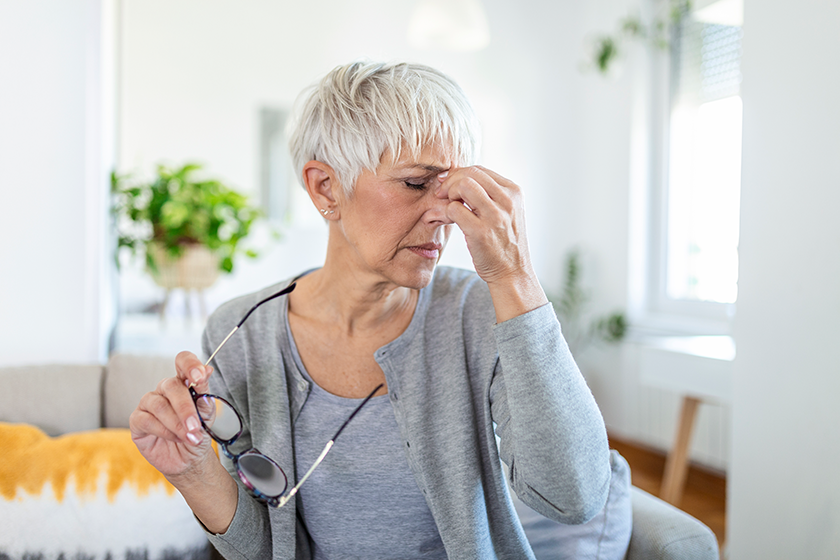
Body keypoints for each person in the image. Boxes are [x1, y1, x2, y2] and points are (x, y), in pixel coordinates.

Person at [129, 61, 617, 559]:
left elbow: (574, 497)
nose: (443, 213)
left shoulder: (481, 309)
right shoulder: (242, 333)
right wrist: (194, 473)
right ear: (325, 188)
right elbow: (264, 549)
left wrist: (516, 276)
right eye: (414, 184)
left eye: (450, 188)